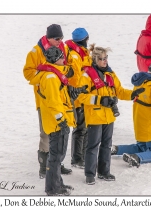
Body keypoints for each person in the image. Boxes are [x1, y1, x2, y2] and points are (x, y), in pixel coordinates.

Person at [77, 44, 144, 185]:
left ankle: (104, 171)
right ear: (95, 60)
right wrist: (100, 100)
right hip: (95, 116)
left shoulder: (110, 74)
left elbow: (119, 91)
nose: (105, 61)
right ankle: (90, 174)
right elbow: (80, 97)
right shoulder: (86, 75)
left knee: (107, 145)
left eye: (106, 58)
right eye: (101, 59)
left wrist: (132, 94)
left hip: (109, 116)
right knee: (93, 146)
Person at [23, 24, 72, 178]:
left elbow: (67, 65)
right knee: (46, 133)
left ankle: (57, 163)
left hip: (60, 98)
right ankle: (44, 167)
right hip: (44, 99)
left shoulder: (63, 48)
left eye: (62, 38)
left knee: (60, 133)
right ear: (49, 37)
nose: (60, 41)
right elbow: (28, 73)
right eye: (57, 38)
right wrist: (46, 71)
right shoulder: (36, 51)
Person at [29, 46, 76, 196]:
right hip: (56, 124)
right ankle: (52, 189)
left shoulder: (52, 75)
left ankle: (57, 184)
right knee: (55, 157)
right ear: (56, 60)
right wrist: (61, 121)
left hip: (55, 122)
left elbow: (58, 98)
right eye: (62, 57)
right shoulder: (51, 78)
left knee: (57, 156)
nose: (64, 60)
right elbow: (53, 102)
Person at [111, 62, 151, 167]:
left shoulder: (139, 82)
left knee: (141, 147)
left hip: (140, 123)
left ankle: (116, 149)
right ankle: (137, 158)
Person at [65, 28, 92, 169]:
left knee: (84, 126)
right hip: (78, 96)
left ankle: (82, 156)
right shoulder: (75, 55)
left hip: (83, 94)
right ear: (85, 39)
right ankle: (77, 159)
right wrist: (79, 91)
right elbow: (75, 77)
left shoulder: (79, 52)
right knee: (80, 128)